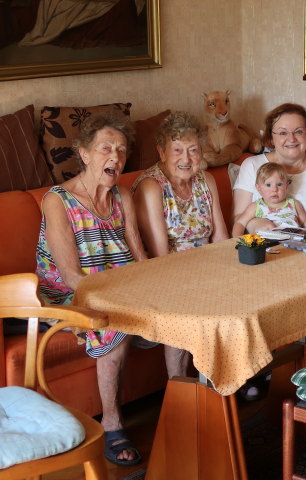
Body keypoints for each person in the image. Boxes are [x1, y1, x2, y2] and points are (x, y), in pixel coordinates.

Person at [35, 114, 147, 466]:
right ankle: (112, 424)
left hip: (123, 286)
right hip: (70, 295)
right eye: (105, 149)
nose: (115, 156)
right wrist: (117, 299)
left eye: (121, 150)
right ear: (83, 153)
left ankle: (184, 398)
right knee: (114, 320)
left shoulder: (123, 196)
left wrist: (159, 289)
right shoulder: (57, 200)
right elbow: (70, 276)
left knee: (175, 308)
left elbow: (141, 258)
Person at [132, 111, 229, 380]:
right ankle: (179, 388)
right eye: (177, 150)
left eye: (193, 150)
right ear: (161, 152)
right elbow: (161, 259)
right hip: (169, 276)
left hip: (209, 269)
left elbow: (220, 238)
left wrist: (232, 273)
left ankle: (222, 382)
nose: (186, 159)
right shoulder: (152, 187)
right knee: (192, 305)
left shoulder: (206, 181)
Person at [233, 103, 306, 233]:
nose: (291, 138)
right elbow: (236, 220)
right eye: (283, 132)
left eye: (299, 131)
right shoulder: (251, 166)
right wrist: (254, 224)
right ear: (271, 138)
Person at [232, 162, 306, 236]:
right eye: (268, 185)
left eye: (279, 184)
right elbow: (240, 223)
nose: (274, 189)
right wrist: (238, 238)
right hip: (266, 243)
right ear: (259, 188)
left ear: (286, 186)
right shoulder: (256, 206)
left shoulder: (294, 204)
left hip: (293, 242)